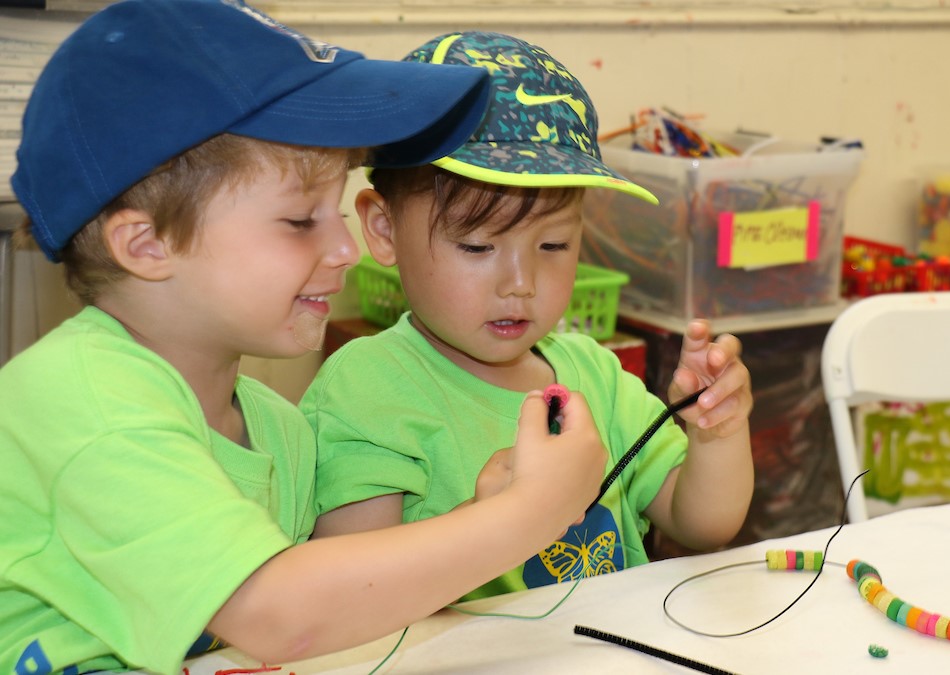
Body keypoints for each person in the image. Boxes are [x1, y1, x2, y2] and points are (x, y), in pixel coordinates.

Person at [0, 4, 609, 674]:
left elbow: (322, 606)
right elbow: (277, 613)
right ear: (147, 244)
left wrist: (473, 515)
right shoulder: (85, 403)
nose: (347, 247)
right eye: (299, 220)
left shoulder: (275, 430)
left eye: (337, 211)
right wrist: (531, 513)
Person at [302, 31, 755, 600]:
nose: (521, 283)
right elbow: (349, 596)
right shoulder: (364, 392)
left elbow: (704, 525)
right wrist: (491, 520)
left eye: (553, 246)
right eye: (477, 247)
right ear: (384, 229)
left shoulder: (595, 376)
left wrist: (718, 432)